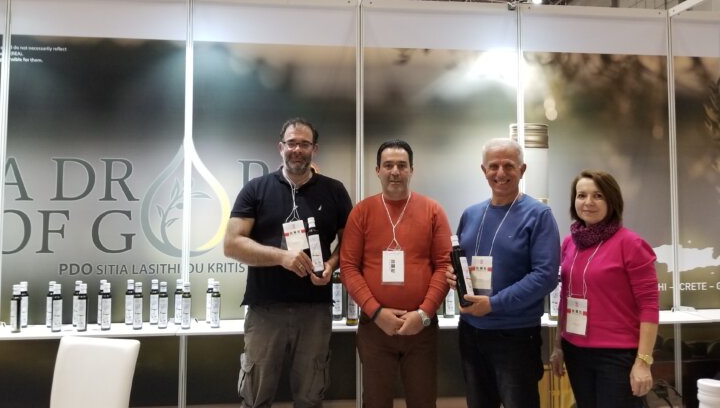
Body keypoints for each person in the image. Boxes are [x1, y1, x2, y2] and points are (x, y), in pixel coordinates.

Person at [224, 118, 353, 408]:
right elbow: (231, 244)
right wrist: (281, 257)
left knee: (310, 397)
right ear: (280, 147)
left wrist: (332, 265)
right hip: (265, 310)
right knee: (255, 398)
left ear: (314, 149)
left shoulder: (334, 191)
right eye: (291, 143)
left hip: (315, 311)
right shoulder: (256, 189)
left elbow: (350, 244)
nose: (297, 149)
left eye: (304, 144)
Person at [340, 139, 452, 408]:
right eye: (388, 165)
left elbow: (443, 266)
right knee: (376, 402)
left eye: (402, 165)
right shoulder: (361, 212)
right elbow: (349, 268)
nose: (395, 172)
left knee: (423, 401)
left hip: (421, 329)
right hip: (375, 328)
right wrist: (376, 312)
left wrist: (423, 314)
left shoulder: (433, 211)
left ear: (411, 170)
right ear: (377, 170)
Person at [451, 137, 560, 408]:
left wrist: (494, 304)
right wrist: (454, 277)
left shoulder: (539, 215)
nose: (500, 173)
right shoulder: (470, 214)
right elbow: (461, 262)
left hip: (515, 336)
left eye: (509, 166)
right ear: (484, 170)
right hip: (471, 332)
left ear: (522, 170)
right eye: (494, 166)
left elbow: (545, 276)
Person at [550, 170, 658, 408]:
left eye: (598, 196)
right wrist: (558, 345)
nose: (588, 202)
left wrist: (643, 362)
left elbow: (649, 306)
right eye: (581, 195)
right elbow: (565, 299)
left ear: (612, 200)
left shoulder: (631, 244)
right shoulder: (569, 243)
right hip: (575, 351)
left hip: (616, 355)